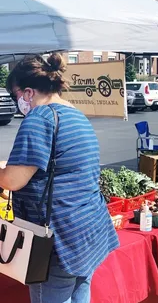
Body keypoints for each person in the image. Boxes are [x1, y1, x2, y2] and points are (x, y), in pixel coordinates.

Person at [0, 54, 119, 303]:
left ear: (29, 92)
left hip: (58, 237)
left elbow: (12, 181)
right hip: (87, 228)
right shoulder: (74, 114)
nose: (18, 101)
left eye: (16, 95)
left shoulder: (39, 118)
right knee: (79, 294)